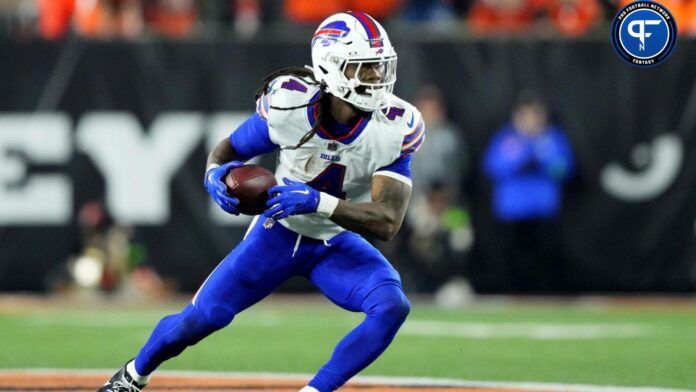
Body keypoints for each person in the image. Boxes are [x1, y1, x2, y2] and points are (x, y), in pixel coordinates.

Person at [98, 11, 425, 392]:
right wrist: (214, 175)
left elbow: (387, 221)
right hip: (278, 233)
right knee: (201, 318)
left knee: (391, 305)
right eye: (364, 69)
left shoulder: (395, 126)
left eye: (380, 68)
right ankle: (133, 375)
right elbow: (229, 150)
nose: (377, 79)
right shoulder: (291, 104)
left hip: (335, 240)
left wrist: (318, 202)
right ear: (330, 67)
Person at [482, 91, 574, 291]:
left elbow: (563, 170)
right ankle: (512, 295)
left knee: (544, 258)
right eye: (526, 115)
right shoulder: (507, 139)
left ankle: (545, 297)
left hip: (543, 209)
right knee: (513, 258)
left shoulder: (551, 139)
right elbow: (493, 167)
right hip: (513, 210)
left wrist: (542, 154)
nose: (531, 120)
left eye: (535, 115)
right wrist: (521, 155)